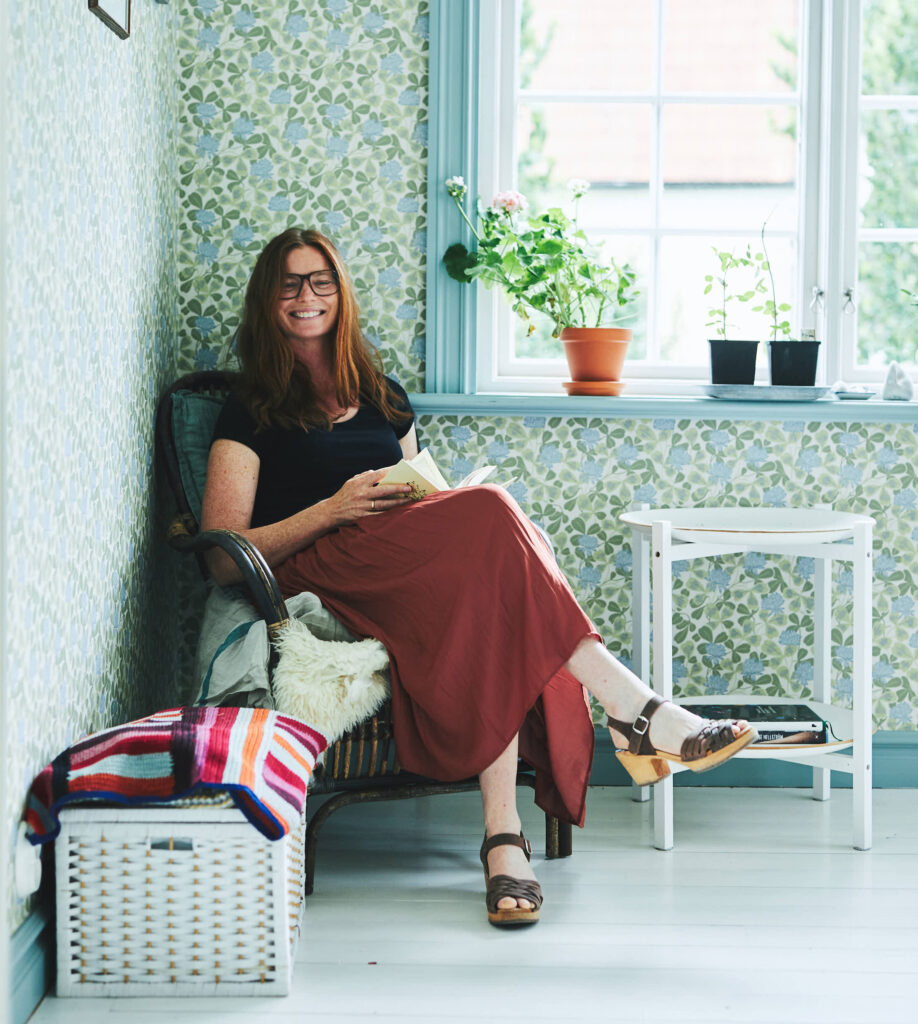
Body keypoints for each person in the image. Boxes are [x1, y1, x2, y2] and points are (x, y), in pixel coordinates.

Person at [201, 227, 756, 929]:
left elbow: (421, 498)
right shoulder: (249, 408)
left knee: (491, 572)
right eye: (289, 284)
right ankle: (637, 714)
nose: (305, 296)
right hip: (317, 574)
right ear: (267, 299)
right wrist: (332, 509)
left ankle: (504, 833)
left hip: (399, 565)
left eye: (320, 282)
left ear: (341, 295)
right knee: (494, 515)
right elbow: (222, 554)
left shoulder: (384, 396)